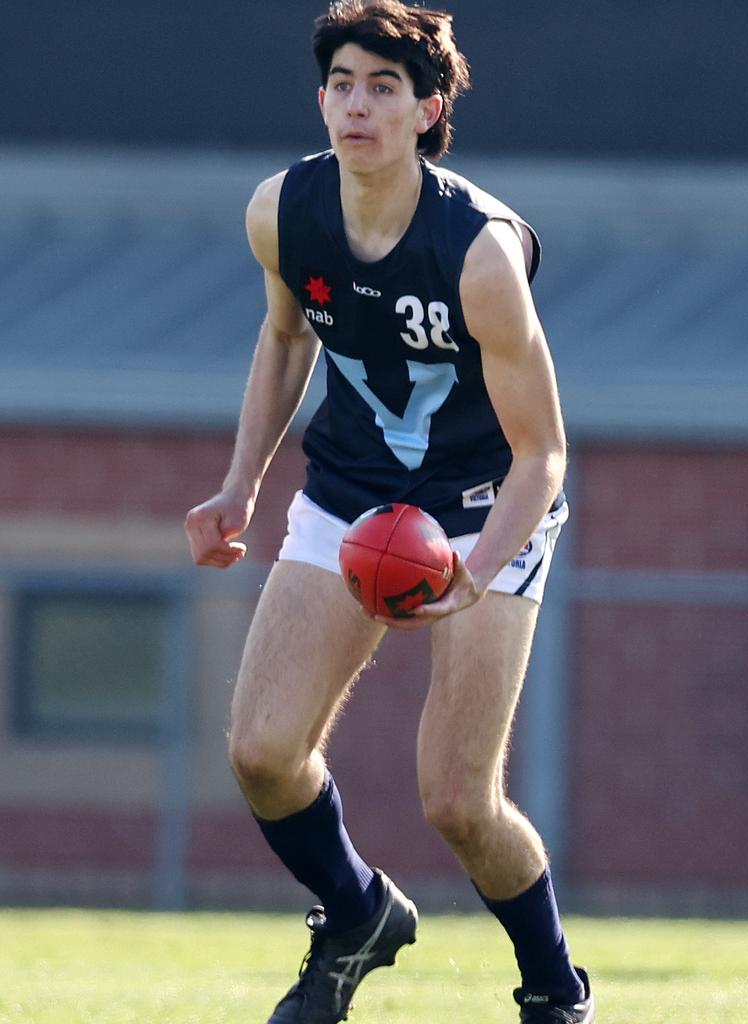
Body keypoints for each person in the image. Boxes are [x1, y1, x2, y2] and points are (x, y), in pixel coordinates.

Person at [185, 2, 595, 1021]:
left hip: (483, 507)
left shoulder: (482, 252)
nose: (355, 105)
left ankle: (554, 987)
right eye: (341, 84)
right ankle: (357, 910)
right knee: (261, 752)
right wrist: (239, 485)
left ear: (429, 109)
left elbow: (544, 453)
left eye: (383, 87)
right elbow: (287, 341)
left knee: (458, 800)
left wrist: (475, 567)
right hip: (351, 495)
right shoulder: (283, 209)